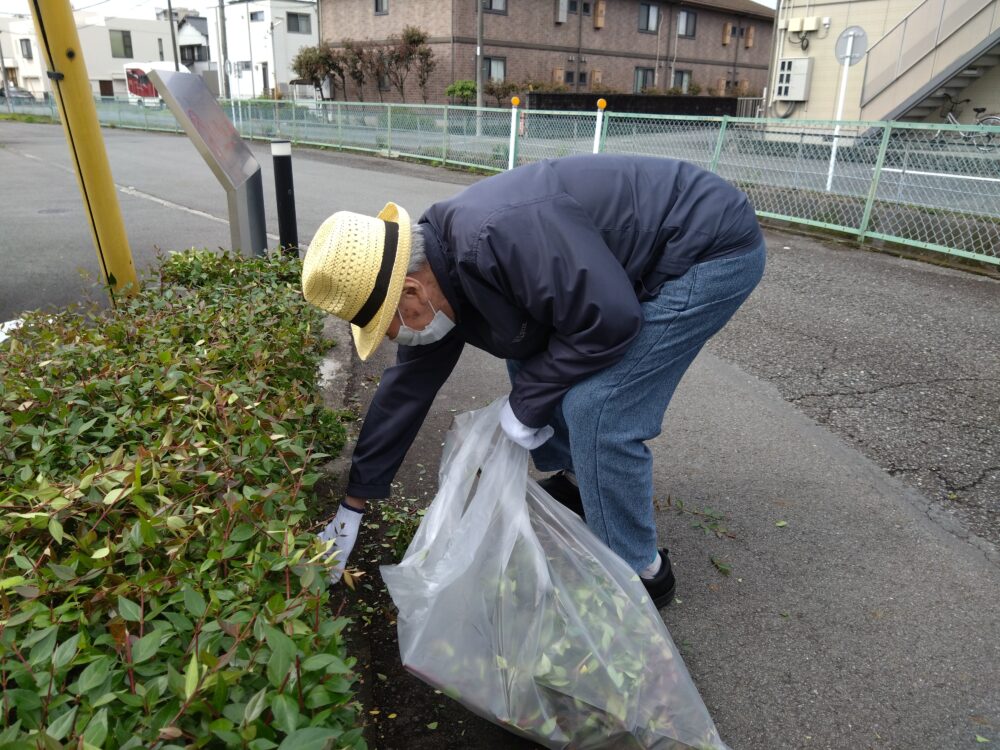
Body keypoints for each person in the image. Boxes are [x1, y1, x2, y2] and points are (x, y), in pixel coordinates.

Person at [302, 154, 766, 607]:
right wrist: (352, 504)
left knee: (600, 408)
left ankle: (641, 570)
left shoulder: (499, 239)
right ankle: (579, 480)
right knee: (528, 360)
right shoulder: (436, 271)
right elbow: (405, 392)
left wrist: (523, 406)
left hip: (705, 249)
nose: (396, 336)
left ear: (410, 291)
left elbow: (610, 321)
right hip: (627, 271)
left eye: (388, 325)